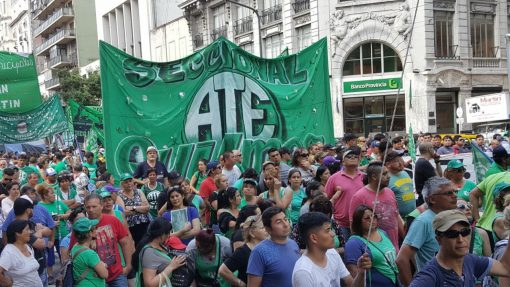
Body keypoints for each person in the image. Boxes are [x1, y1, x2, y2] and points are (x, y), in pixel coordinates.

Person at [409, 210, 510, 286]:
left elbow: (505, 269)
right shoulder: (429, 276)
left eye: (465, 232)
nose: (461, 239)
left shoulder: (470, 260)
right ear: (438, 239)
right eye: (452, 234)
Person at [396, 176, 457, 286]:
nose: (454, 196)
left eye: (455, 191)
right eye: (448, 193)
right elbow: (401, 259)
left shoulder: (453, 216)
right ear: (432, 199)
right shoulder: (423, 221)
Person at [70, 193, 135, 286]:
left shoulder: (113, 220)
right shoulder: (81, 227)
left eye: (94, 206)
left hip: (116, 275)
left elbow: (125, 242)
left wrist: (128, 266)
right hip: (93, 280)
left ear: (101, 206)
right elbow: (72, 252)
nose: (91, 210)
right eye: (88, 207)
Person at [293, 211, 370, 287]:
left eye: (331, 229)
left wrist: (361, 273)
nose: (333, 234)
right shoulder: (304, 272)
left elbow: (351, 284)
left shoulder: (332, 253)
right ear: (314, 238)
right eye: (327, 230)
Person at [349, 161, 403, 250]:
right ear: (374, 177)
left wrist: (404, 237)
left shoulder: (390, 192)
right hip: (374, 251)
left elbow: (396, 216)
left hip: (394, 248)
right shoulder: (359, 197)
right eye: (384, 174)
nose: (389, 176)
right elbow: (354, 226)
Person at [247, 206, 300, 287]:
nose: (285, 224)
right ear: (268, 229)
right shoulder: (259, 252)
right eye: (279, 222)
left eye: (285, 219)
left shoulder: (293, 244)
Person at [344, 206, 397, 286]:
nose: (371, 219)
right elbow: (354, 275)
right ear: (358, 222)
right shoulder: (353, 243)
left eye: (373, 216)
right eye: (367, 218)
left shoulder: (383, 233)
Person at [131, 218, 187, 287]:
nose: (169, 236)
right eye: (168, 233)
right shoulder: (149, 252)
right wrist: (171, 267)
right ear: (162, 234)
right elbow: (149, 284)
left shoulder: (160, 245)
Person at [325, 146, 364, 241]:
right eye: (349, 156)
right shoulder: (333, 178)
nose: (353, 158)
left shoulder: (365, 177)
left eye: (355, 156)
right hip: (342, 224)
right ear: (343, 162)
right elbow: (326, 199)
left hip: (362, 222)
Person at [219, 215, 267, 287]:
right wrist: (240, 283)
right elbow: (223, 270)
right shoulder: (243, 251)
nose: (266, 230)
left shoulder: (267, 247)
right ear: (251, 233)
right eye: (262, 227)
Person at [37, 183, 71, 279]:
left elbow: (69, 212)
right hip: (49, 236)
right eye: (51, 193)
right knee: (50, 256)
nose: (54, 195)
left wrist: (63, 216)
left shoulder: (58, 203)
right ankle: (50, 275)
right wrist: (52, 224)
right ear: (45, 195)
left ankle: (64, 274)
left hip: (63, 234)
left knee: (64, 255)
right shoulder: (40, 206)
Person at [0, 220, 43, 287]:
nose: (30, 232)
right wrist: (6, 282)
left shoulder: (28, 247)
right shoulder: (9, 252)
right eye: (27, 229)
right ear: (17, 233)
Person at [70, 217, 109, 286]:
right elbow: (105, 274)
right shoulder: (90, 254)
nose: (96, 229)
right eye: (94, 228)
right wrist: (103, 265)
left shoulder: (75, 247)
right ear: (89, 234)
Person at [470, 171, 510, 237]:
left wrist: (477, 219)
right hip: (498, 226)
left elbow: (472, 194)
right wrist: (477, 219)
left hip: (485, 227)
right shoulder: (501, 219)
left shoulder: (491, 177)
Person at [118, 173, 150, 246]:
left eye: (130, 181)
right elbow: (124, 212)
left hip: (145, 223)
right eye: (126, 182)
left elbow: (147, 208)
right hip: (131, 227)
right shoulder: (119, 195)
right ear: (122, 184)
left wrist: (133, 208)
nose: (129, 184)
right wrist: (140, 208)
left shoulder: (139, 191)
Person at [385, 151, 415, 218]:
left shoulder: (405, 173)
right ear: (388, 164)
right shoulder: (386, 179)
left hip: (413, 215)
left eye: (401, 160)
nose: (401, 163)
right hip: (399, 219)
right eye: (396, 161)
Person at [200, 160, 222, 226]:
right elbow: (206, 202)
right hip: (211, 217)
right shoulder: (205, 183)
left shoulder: (221, 180)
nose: (221, 169)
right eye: (219, 167)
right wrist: (216, 209)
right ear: (212, 170)